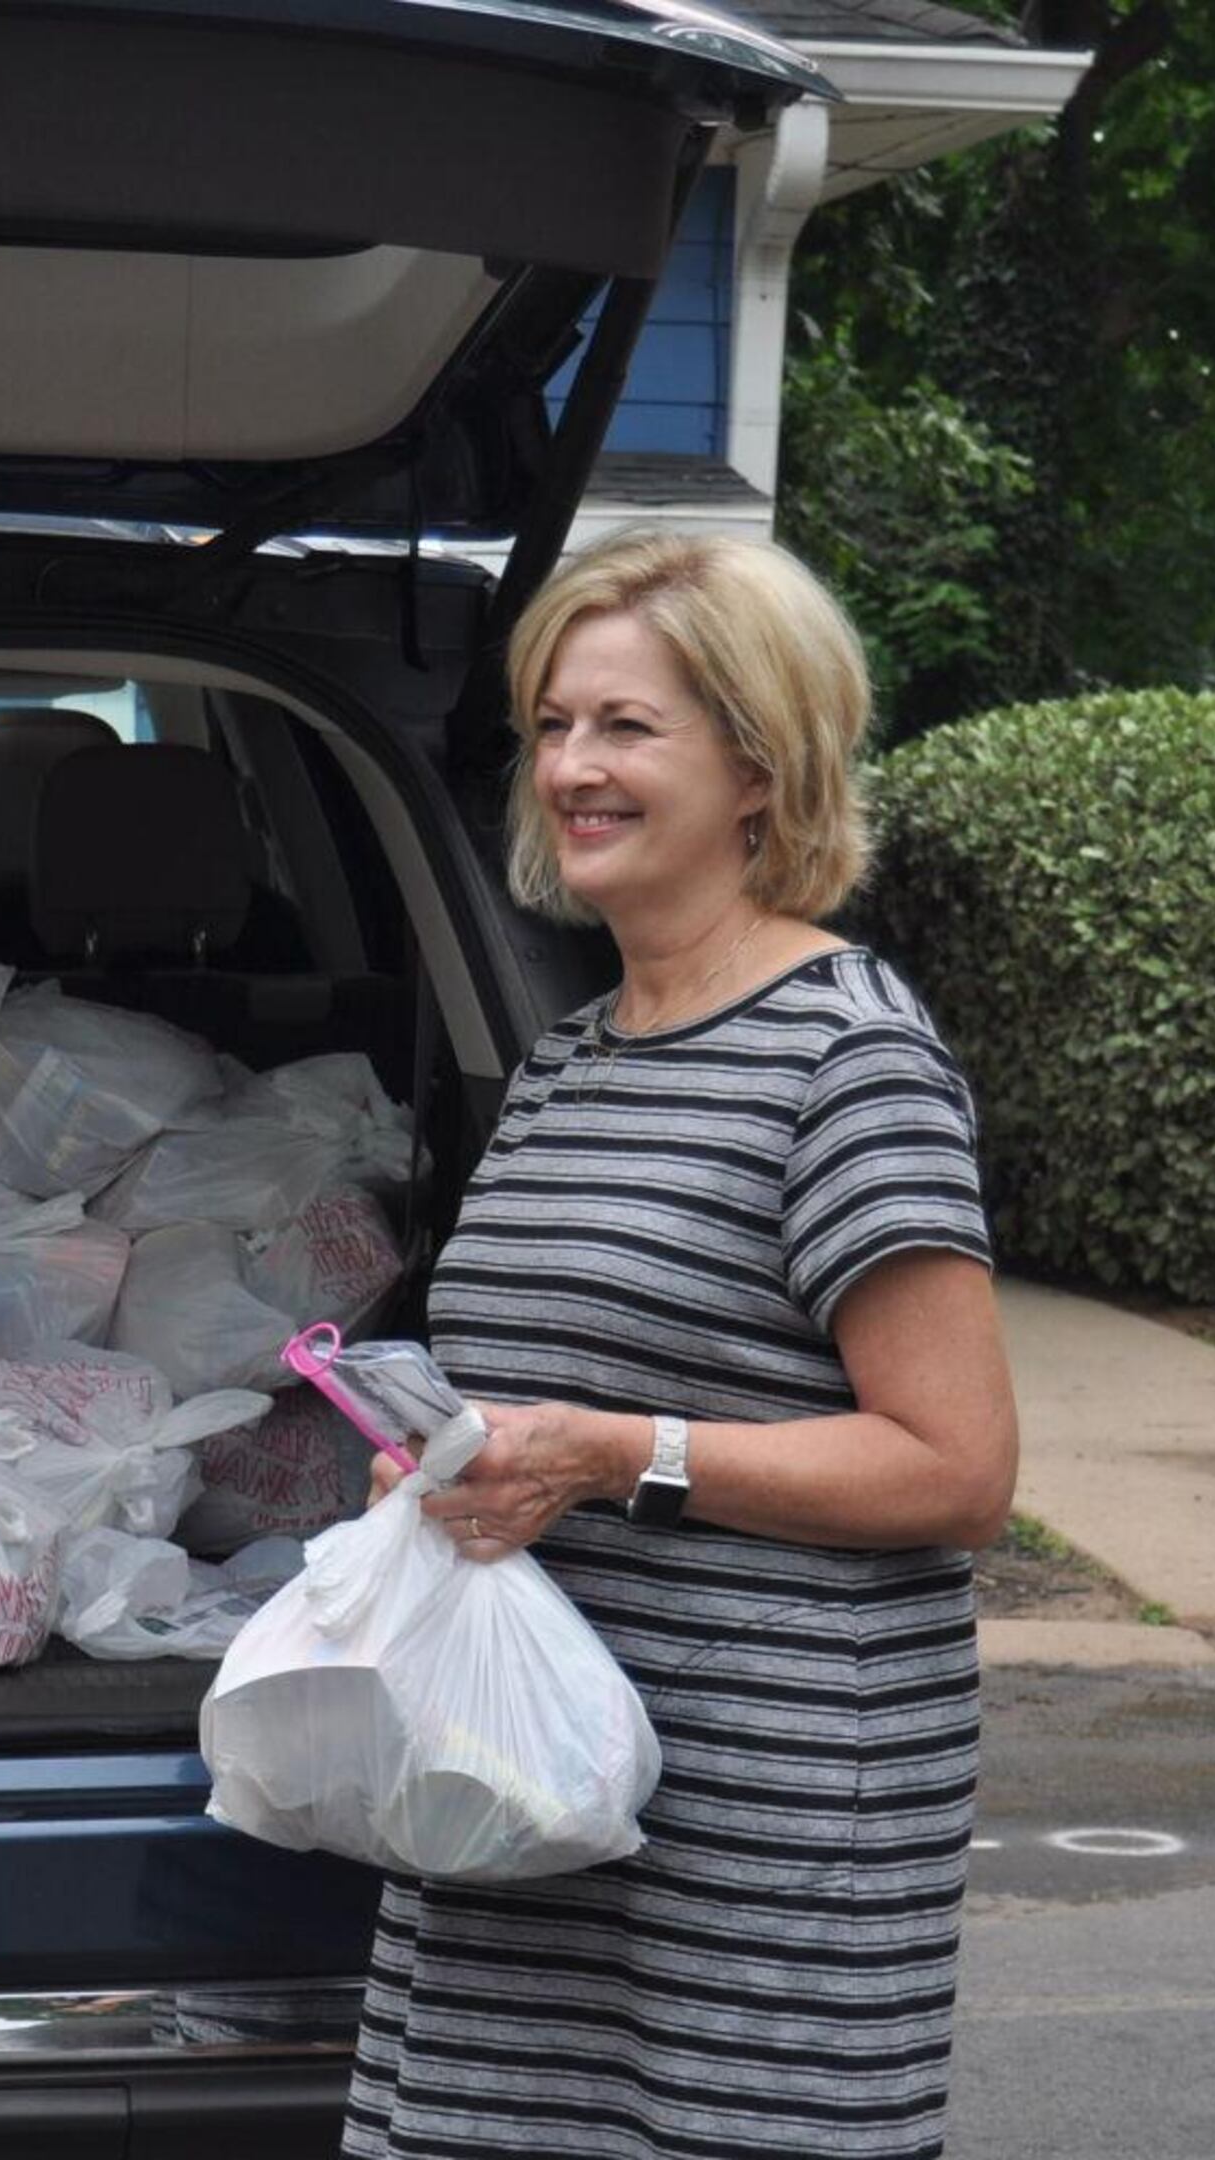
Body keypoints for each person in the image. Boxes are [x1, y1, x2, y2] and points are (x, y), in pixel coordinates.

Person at [345, 532, 1019, 2160]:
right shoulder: (574, 1058)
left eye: (627, 728)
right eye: (555, 726)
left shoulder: (847, 1060)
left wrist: (612, 1454)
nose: (573, 768)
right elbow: (557, 1379)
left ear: (763, 769)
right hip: (529, 1782)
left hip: (763, 1819)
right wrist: (449, 1459)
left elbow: (958, 1466)